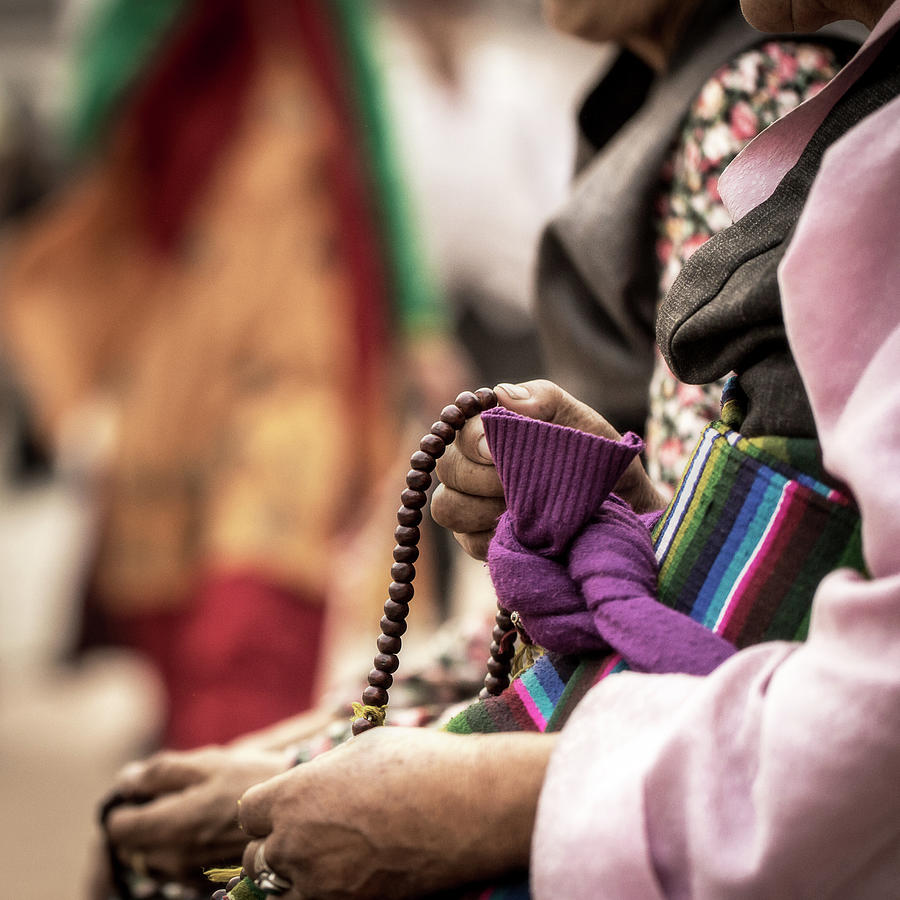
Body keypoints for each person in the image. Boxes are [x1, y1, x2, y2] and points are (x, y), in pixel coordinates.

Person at [95, 0, 867, 893]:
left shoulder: (757, 92)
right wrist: (325, 749)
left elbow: (686, 609)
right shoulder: (661, 100)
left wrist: (323, 764)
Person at [1, 0, 461, 750]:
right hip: (182, 342)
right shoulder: (150, 20)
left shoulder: (327, 20)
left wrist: (417, 318)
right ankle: (196, 793)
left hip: (306, 341)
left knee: (261, 592)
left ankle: (235, 806)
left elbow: (368, 154)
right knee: (184, 606)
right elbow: (92, 121)